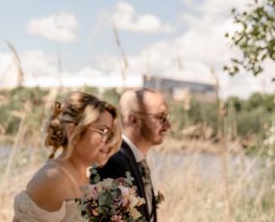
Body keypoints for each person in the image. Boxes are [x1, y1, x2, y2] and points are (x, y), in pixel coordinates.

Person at [13, 92, 122, 222]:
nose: (109, 141)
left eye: (111, 134)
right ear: (74, 133)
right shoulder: (53, 179)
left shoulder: (87, 177)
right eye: (103, 131)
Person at [97, 88, 171, 222]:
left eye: (167, 117)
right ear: (134, 120)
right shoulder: (115, 162)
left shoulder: (136, 158)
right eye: (161, 117)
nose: (168, 125)